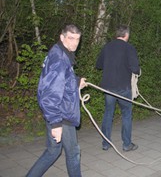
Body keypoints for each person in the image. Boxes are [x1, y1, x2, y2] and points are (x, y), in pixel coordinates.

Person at [27, 24, 87, 177]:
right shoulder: (59, 59)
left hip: (59, 111)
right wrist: (55, 123)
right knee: (73, 153)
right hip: (61, 113)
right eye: (71, 38)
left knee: (53, 151)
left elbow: (62, 80)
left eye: (77, 39)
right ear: (62, 37)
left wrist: (76, 81)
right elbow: (50, 93)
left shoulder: (61, 52)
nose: (74, 43)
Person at [96, 24, 140, 152]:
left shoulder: (107, 47)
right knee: (126, 114)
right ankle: (126, 144)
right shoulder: (129, 48)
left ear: (117, 34)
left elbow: (99, 65)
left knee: (108, 114)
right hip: (123, 88)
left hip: (108, 87)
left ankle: (105, 143)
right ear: (127, 35)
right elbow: (135, 69)